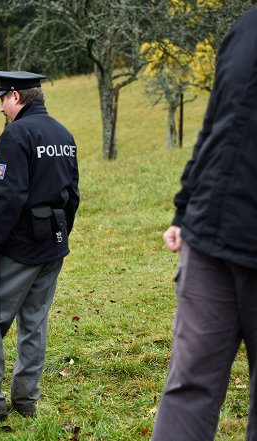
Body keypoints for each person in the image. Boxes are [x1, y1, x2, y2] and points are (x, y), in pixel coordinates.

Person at [0, 70, 79, 424]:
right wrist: (60, 233)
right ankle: (25, 402)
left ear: (17, 97)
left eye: (3, 99)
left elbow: (8, 197)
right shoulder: (62, 134)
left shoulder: (17, 135)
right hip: (53, 244)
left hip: (19, 247)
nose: (1, 108)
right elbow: (73, 194)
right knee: (34, 322)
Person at [152, 8, 257, 440]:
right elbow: (214, 126)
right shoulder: (246, 27)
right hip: (210, 236)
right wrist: (185, 207)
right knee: (189, 383)